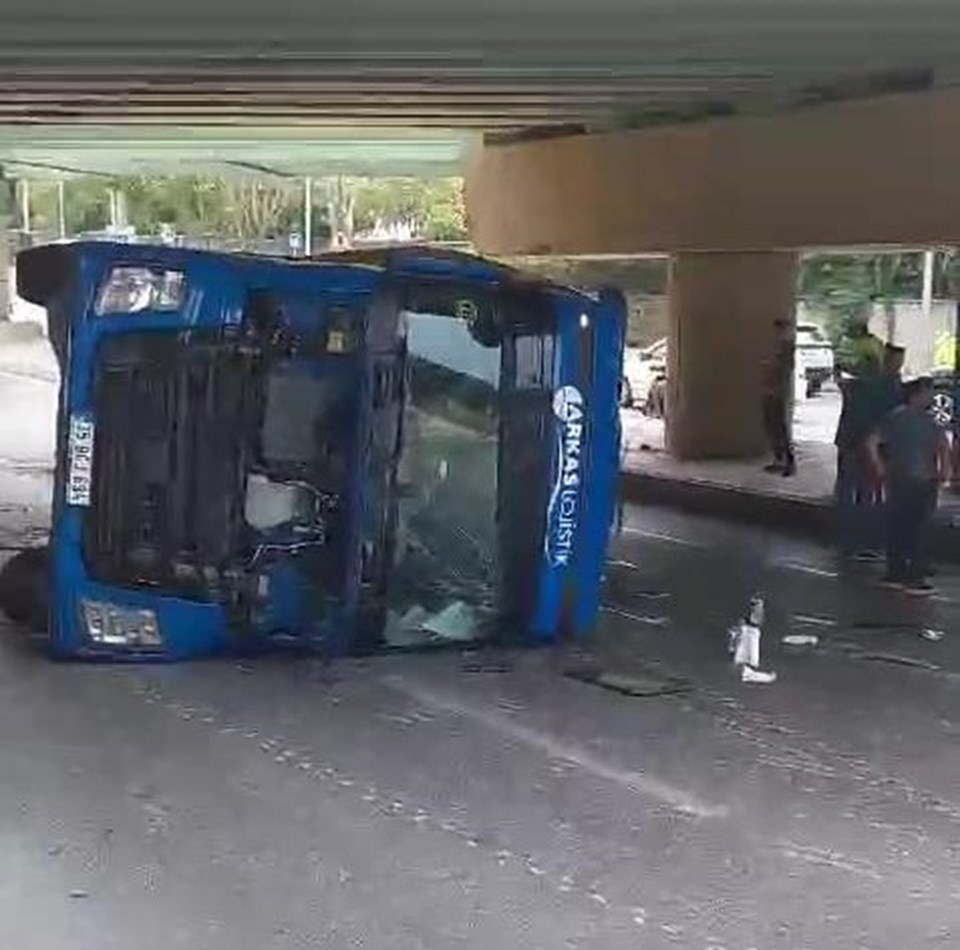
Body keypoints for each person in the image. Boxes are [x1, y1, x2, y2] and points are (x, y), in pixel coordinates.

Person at [866, 377, 950, 594]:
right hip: (916, 479)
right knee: (917, 528)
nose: (931, 397)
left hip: (907, 478)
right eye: (928, 392)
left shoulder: (902, 418)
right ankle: (913, 575)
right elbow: (943, 446)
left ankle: (897, 572)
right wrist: (944, 470)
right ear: (916, 395)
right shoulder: (919, 420)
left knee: (901, 526)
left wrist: (880, 467)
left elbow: (872, 442)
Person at [834, 344, 904, 560]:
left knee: (854, 493)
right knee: (861, 494)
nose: (898, 367)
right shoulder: (880, 387)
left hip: (854, 444)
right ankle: (857, 541)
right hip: (861, 445)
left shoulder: (859, 385)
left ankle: (851, 541)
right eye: (895, 362)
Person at [763, 319, 796, 477]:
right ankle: (779, 459)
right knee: (773, 426)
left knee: (779, 427)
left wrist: (770, 368)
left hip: (778, 391)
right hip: (773, 389)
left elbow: (782, 370)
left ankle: (788, 461)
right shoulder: (780, 346)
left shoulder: (786, 347)